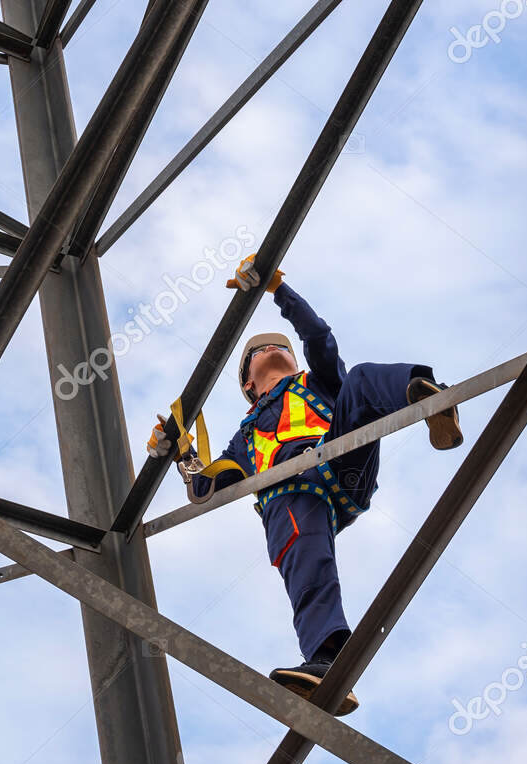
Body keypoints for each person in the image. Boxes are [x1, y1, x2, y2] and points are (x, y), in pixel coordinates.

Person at [148, 258, 463, 713]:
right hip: (292, 495)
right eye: (259, 350)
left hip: (338, 461)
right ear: (248, 384)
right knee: (307, 565)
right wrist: (182, 454)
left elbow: (318, 337)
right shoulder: (245, 435)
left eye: (280, 346)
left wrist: (279, 291)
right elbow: (207, 489)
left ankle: (429, 396)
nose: (272, 349)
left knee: (359, 380)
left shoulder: (317, 384)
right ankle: (330, 663)